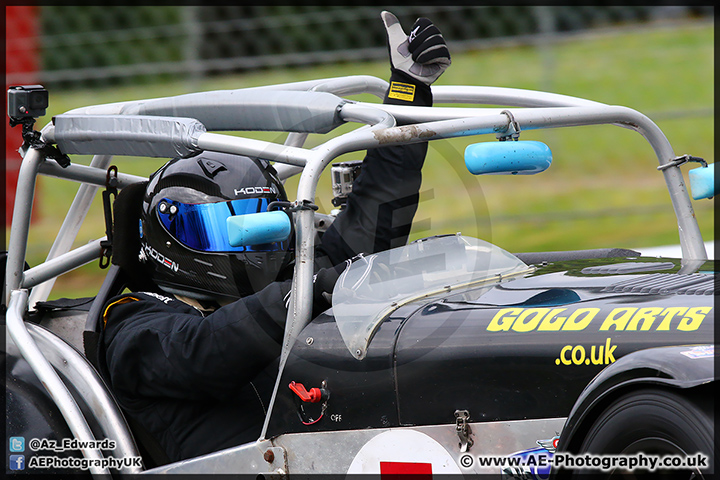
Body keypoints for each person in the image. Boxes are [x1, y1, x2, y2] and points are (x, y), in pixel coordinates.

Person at [99, 11, 451, 464]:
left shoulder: (283, 282)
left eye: (259, 222)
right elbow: (202, 352)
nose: (245, 244)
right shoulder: (131, 324)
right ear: (166, 238)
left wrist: (409, 89)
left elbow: (370, 227)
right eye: (221, 226)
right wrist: (306, 292)